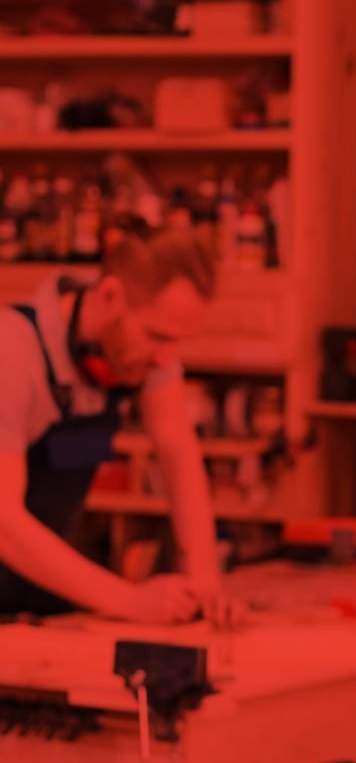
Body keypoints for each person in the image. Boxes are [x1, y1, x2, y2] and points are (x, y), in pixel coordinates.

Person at [0, 223, 240, 625]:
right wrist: (129, 600)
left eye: (176, 342)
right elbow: (3, 522)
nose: (166, 359)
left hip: (33, 594)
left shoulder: (141, 356)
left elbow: (179, 456)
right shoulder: (12, 351)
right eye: (157, 336)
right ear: (110, 295)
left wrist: (205, 588)